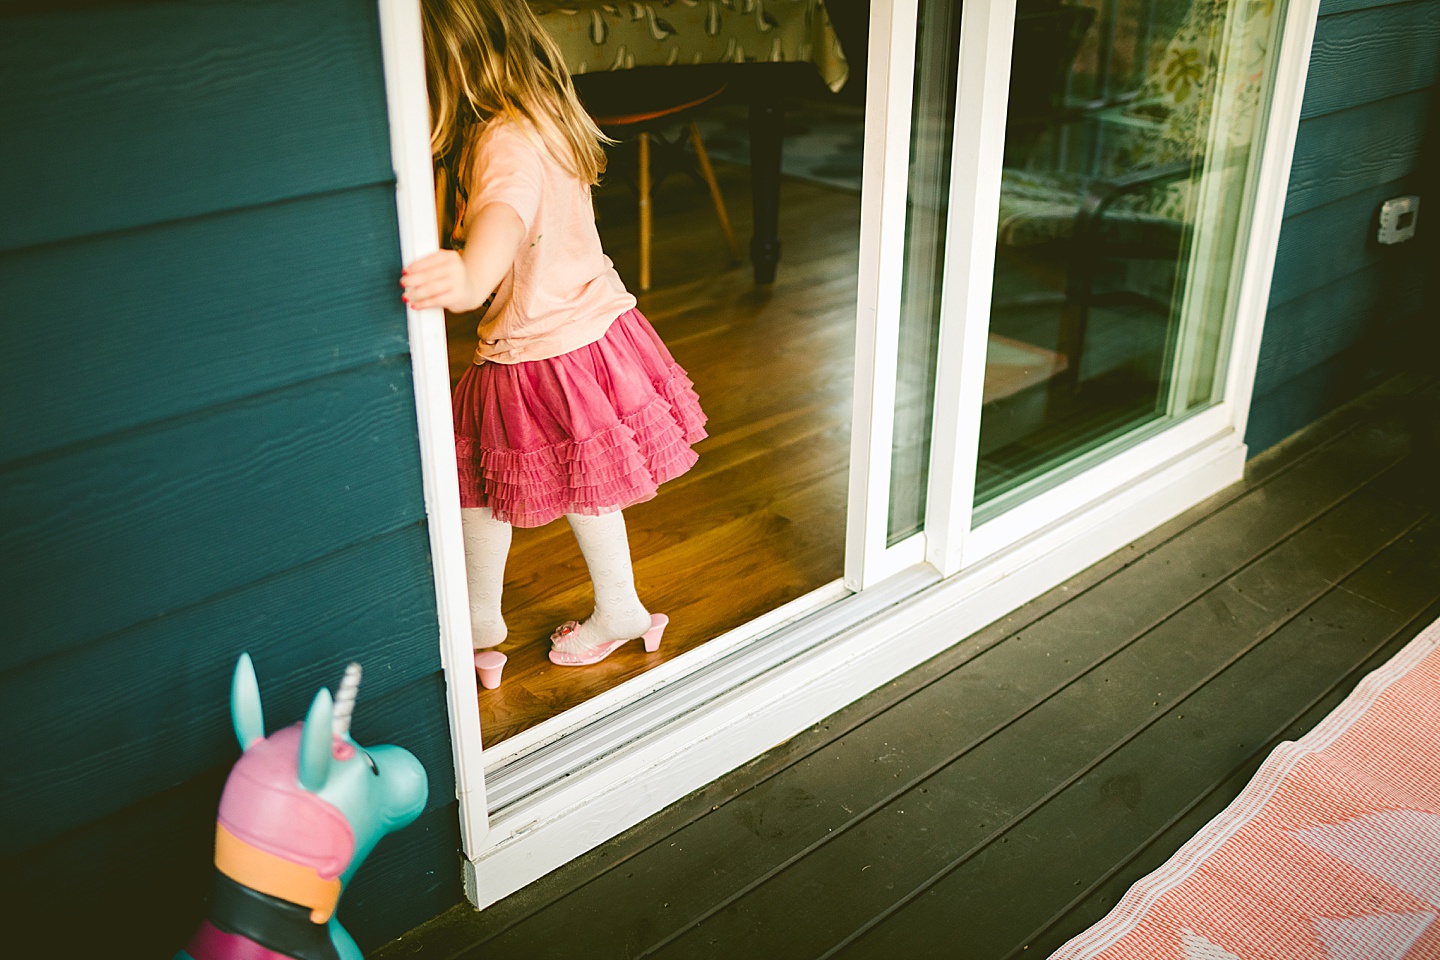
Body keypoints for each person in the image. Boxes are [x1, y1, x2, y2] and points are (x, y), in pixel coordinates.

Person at [400, 0, 707, 668]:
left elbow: (501, 220)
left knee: (479, 484)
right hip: (591, 333)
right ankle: (611, 606)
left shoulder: (502, 143)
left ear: (448, 65)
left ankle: (484, 625)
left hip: (534, 352)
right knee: (579, 479)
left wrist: (465, 274)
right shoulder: (543, 117)